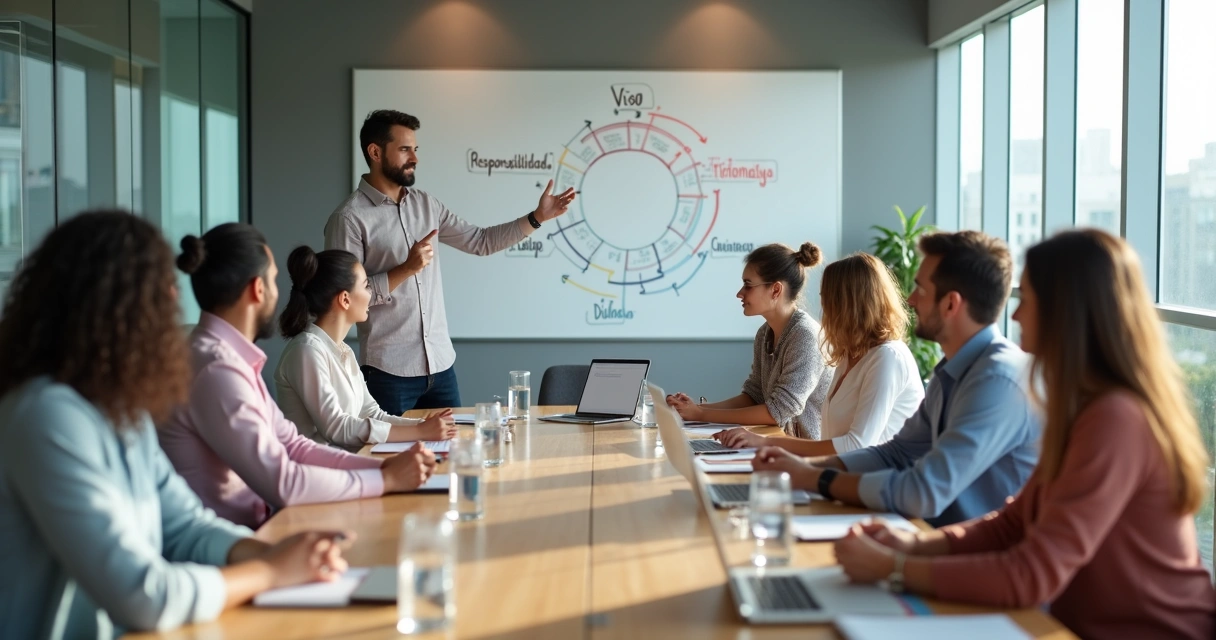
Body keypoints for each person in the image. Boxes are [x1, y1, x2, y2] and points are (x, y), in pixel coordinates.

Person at [834, 230, 1215, 640]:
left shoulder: (1116, 418)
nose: (1014, 317)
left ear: (1066, 313)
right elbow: (1011, 524)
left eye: (1027, 301)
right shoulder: (1082, 406)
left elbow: (1031, 574)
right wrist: (911, 546)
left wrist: (894, 569)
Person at [0, 211, 353, 637]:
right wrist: (270, 570)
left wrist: (278, 551)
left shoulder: (121, 409)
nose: (172, 297)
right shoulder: (45, 416)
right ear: (104, 304)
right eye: (156, 287)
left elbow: (184, 525)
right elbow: (143, 594)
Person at [160, 223, 437, 530]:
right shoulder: (217, 368)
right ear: (258, 289)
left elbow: (294, 446)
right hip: (245, 536)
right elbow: (284, 482)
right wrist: (384, 478)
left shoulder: (228, 359)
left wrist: (383, 467)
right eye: (275, 280)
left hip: (261, 524)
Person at [752, 230, 1039, 526]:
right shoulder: (950, 371)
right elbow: (897, 453)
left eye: (921, 290)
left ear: (951, 304)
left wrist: (817, 478)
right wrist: (804, 469)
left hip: (963, 550)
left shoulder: (997, 379)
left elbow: (924, 490)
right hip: (929, 536)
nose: (911, 300)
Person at [325, 109, 577, 413]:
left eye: (415, 149)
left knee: (453, 458)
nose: (415, 158)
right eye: (404, 149)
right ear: (375, 152)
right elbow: (345, 298)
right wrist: (406, 270)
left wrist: (537, 218)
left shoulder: (427, 205)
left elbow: (481, 241)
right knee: (392, 458)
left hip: (441, 369)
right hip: (387, 374)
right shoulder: (349, 218)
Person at [715, 253, 923, 455]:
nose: (824, 310)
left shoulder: (888, 358)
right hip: (846, 477)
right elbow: (834, 441)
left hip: (880, 485)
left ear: (849, 305)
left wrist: (766, 443)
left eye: (828, 301)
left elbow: (856, 446)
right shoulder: (849, 355)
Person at [274, 246, 458, 451]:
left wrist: (422, 426)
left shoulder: (342, 350)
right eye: (366, 286)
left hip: (343, 464)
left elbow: (372, 413)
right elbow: (336, 428)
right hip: (313, 473)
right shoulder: (306, 351)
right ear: (345, 299)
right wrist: (419, 432)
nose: (371, 293)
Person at [666, 242, 833, 439]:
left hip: (808, 458)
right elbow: (754, 396)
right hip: (780, 449)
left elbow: (778, 411)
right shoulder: (765, 333)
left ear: (776, 290)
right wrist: (694, 408)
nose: (739, 293)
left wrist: (701, 414)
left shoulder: (805, 336)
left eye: (748, 284)